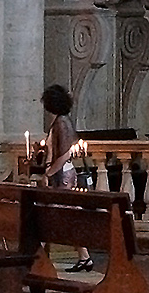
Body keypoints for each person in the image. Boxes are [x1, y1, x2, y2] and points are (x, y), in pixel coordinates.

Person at [40, 84, 93, 272]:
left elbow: (63, 155)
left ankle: (37, 256)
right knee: (62, 214)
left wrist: (48, 172)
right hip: (62, 173)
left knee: (56, 214)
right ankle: (84, 256)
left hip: (62, 175)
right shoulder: (61, 121)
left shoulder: (62, 123)